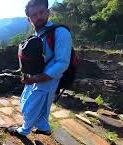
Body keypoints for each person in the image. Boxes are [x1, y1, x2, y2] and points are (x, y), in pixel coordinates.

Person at [8, 0, 72, 136]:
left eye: (41, 12)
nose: (38, 17)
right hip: (34, 77)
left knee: (30, 107)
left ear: (48, 12)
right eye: (34, 15)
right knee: (37, 104)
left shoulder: (60, 32)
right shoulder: (37, 35)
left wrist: (39, 78)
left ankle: (24, 131)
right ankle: (44, 127)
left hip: (48, 79)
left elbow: (62, 62)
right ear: (29, 20)